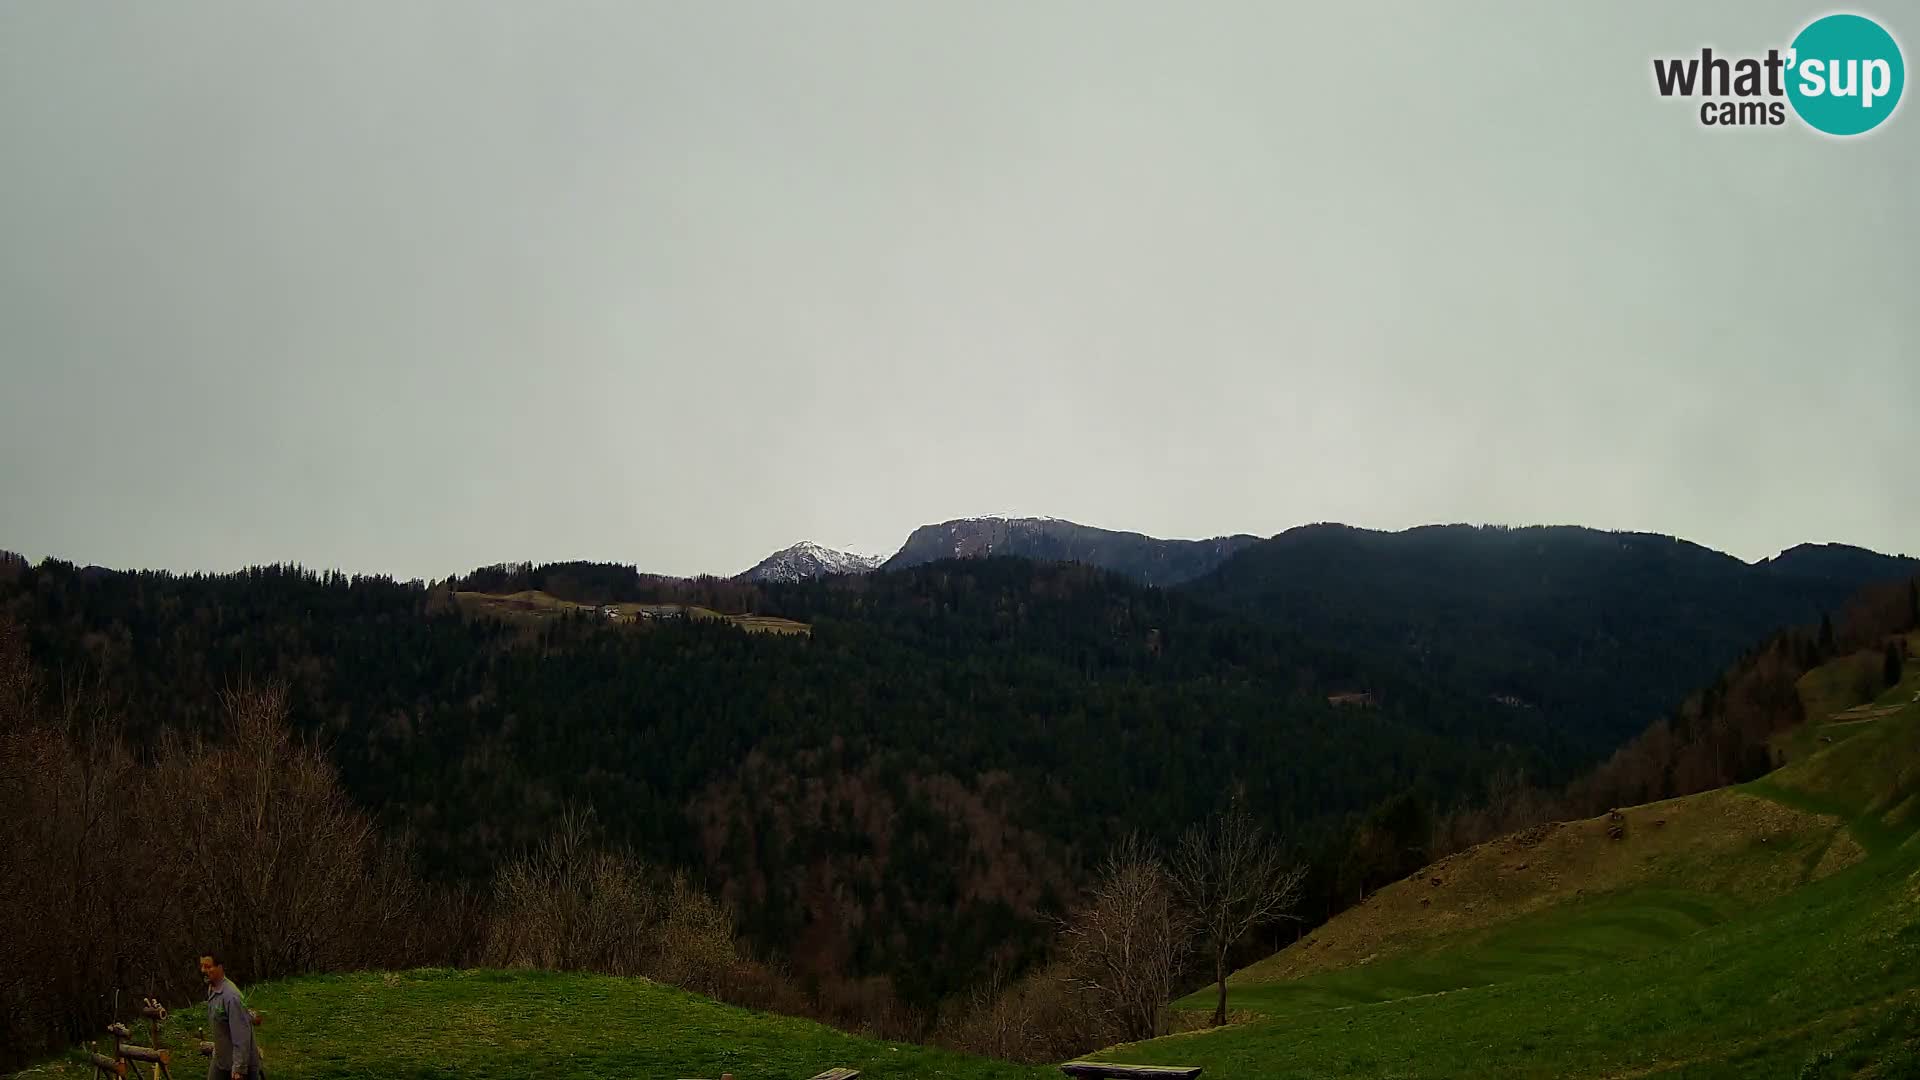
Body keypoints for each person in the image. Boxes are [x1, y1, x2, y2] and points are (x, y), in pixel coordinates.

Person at [199, 954, 264, 1080]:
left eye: (207, 966)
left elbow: (241, 1035)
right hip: (221, 1058)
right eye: (201, 966)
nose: (203, 970)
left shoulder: (231, 997)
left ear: (220, 967)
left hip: (238, 1063)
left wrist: (239, 1068)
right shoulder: (212, 988)